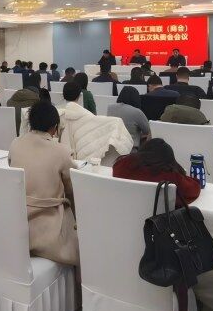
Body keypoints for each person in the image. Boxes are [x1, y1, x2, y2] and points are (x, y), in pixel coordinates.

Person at [8, 101, 79, 266]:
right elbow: (73, 190)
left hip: (18, 225)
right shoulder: (61, 151)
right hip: (50, 231)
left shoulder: (15, 144)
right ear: (54, 127)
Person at [160, 94, 213, 185]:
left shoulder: (157, 125)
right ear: (198, 110)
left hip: (165, 180)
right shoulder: (208, 130)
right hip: (204, 182)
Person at [58, 82, 133, 164]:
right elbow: (97, 123)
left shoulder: (57, 113)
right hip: (78, 162)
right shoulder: (86, 115)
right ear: (79, 96)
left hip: (59, 156)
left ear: (63, 95)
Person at [113, 138, 201, 206]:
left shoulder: (121, 165)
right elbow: (193, 190)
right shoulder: (171, 178)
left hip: (120, 217)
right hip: (156, 222)